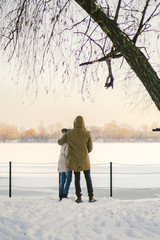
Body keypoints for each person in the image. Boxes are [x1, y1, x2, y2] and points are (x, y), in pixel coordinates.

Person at [58, 116, 95, 203]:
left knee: (77, 179)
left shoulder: (70, 134)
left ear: (74, 123)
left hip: (74, 160)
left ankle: (79, 197)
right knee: (88, 178)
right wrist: (84, 152)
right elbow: (90, 148)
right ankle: (91, 196)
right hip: (84, 160)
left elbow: (60, 142)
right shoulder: (87, 134)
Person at [58, 128, 72, 201]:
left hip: (60, 161)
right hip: (66, 162)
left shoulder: (62, 141)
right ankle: (64, 194)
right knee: (69, 179)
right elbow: (67, 153)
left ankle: (60, 194)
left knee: (62, 180)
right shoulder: (68, 142)